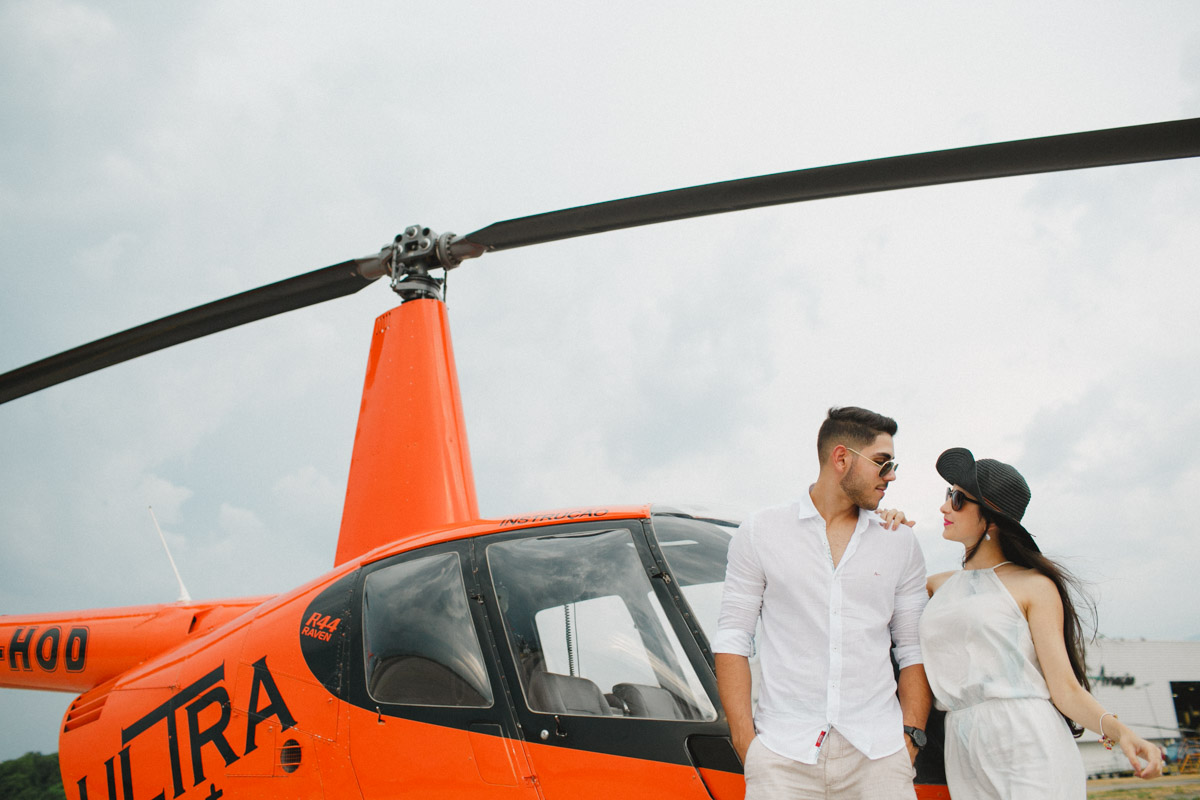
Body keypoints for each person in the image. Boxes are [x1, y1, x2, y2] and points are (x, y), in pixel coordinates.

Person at [714, 406, 932, 799]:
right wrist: (747, 743)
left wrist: (910, 738)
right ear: (842, 458)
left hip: (880, 756)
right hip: (782, 755)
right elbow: (733, 637)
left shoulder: (898, 540)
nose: (892, 476)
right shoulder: (761, 532)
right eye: (883, 464)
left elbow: (913, 647)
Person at [921, 447, 1163, 798]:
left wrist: (1121, 732)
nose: (945, 506)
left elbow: (1064, 688)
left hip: (1025, 740)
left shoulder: (1035, 586)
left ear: (992, 517)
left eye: (958, 499)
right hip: (961, 744)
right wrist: (886, 527)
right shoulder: (934, 587)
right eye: (948, 494)